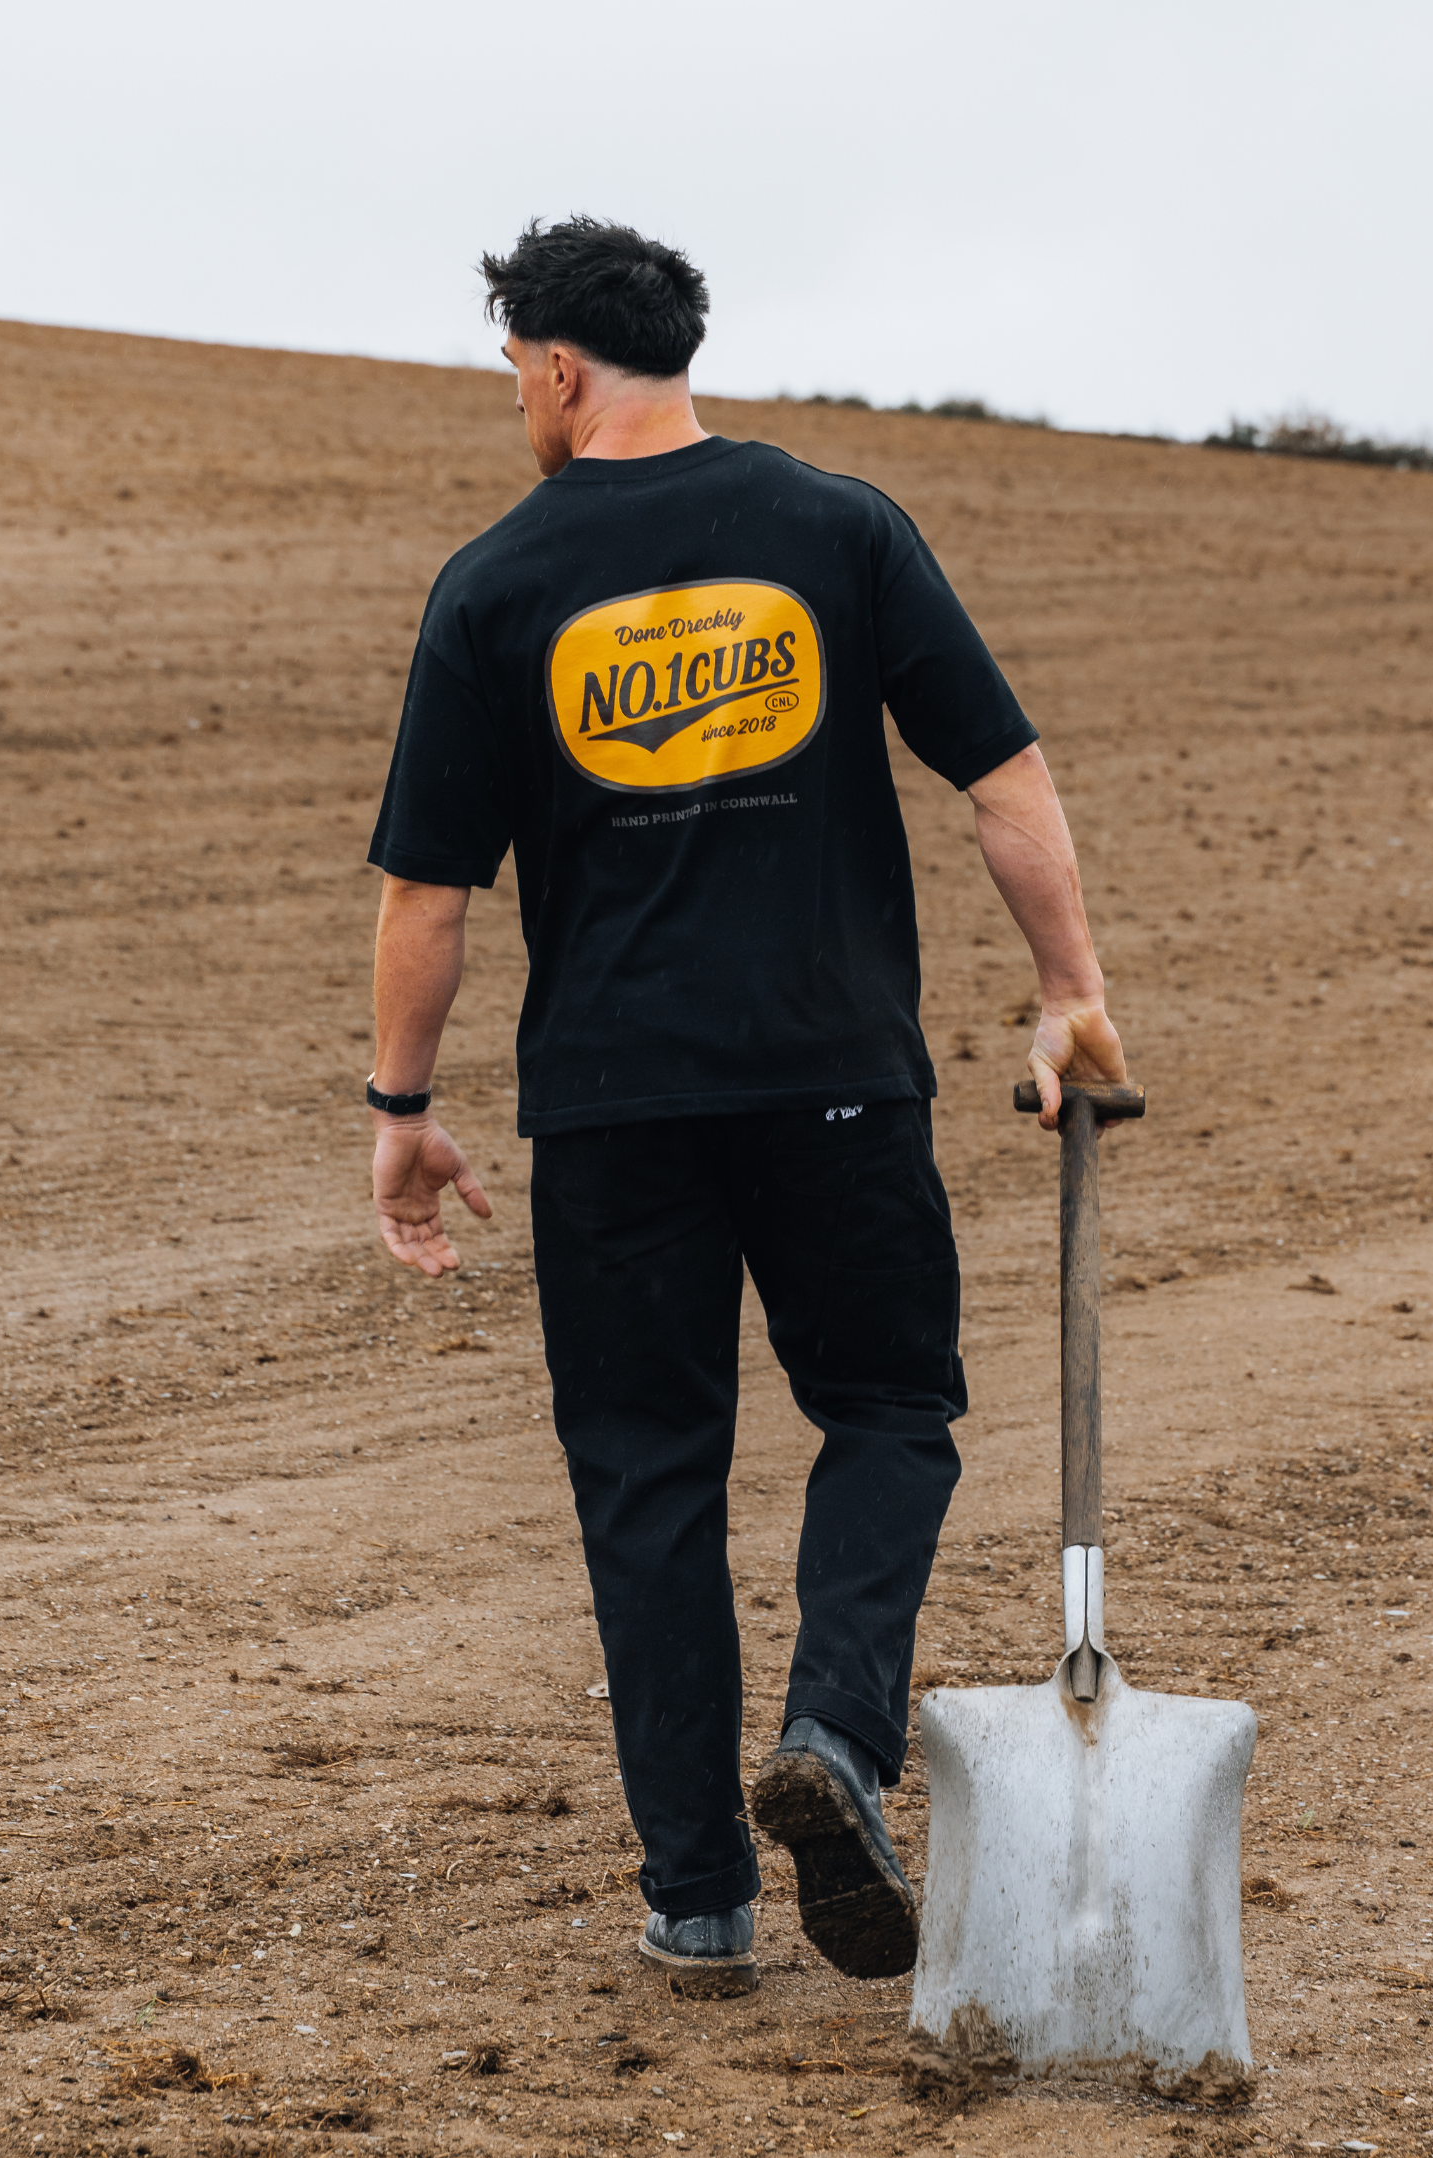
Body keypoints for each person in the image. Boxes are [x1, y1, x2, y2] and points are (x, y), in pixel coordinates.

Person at [365, 217, 1124, 1997]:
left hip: (611, 1109)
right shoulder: (837, 526)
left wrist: (401, 1104)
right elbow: (1001, 775)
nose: (518, 404)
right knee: (889, 1407)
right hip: (833, 1077)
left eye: (514, 374)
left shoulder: (492, 583)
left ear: (558, 367)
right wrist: (1068, 991)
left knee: (647, 1477)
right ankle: (834, 1736)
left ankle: (698, 1895)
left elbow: (427, 895)